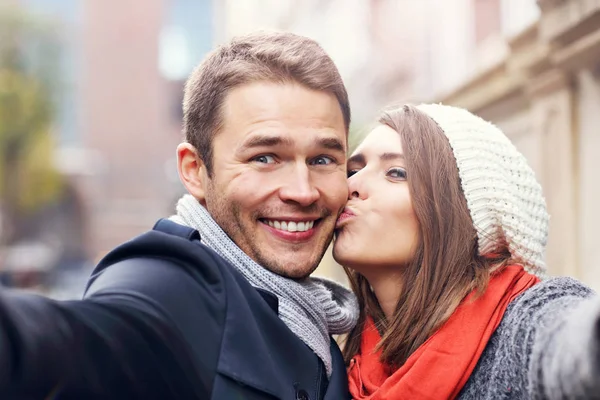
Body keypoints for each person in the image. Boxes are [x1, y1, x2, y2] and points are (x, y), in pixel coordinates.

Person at [0, 31, 358, 400]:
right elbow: (78, 341)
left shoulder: (319, 324)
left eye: (322, 160)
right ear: (194, 170)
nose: (302, 191)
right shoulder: (170, 285)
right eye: (264, 158)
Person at [333, 103, 600, 399]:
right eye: (353, 170)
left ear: (463, 212)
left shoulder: (524, 323)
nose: (351, 185)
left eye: (396, 172)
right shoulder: (336, 357)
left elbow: (571, 343)